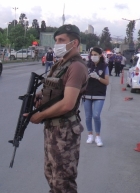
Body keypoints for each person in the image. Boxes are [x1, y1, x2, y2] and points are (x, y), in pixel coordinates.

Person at [26, 24, 88, 193]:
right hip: (53, 129)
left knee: (63, 182)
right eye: (56, 40)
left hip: (64, 130)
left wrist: (40, 116)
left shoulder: (76, 67)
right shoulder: (61, 64)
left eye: (62, 40)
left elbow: (68, 103)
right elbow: (53, 88)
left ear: (74, 43)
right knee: (51, 174)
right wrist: (40, 96)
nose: (57, 44)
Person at [83, 47, 110, 147]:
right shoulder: (87, 65)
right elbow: (81, 80)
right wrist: (87, 77)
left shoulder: (104, 67)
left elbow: (107, 82)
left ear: (100, 55)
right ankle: (90, 135)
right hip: (87, 93)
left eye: (95, 55)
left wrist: (98, 77)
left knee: (96, 115)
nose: (93, 57)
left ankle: (98, 136)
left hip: (99, 94)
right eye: (92, 55)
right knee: (88, 116)